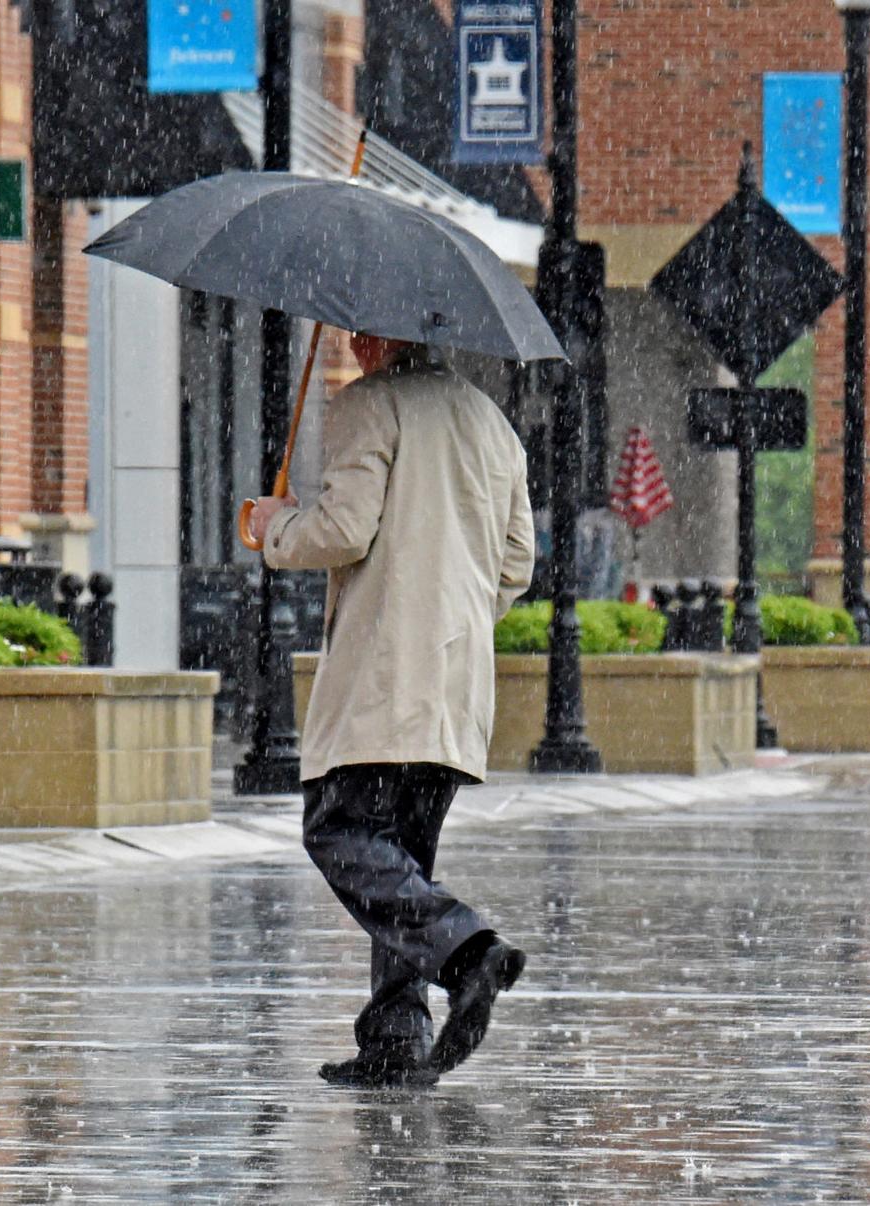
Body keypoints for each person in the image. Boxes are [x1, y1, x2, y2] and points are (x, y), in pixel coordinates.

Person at [248, 331, 535, 1088]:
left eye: (359, 332)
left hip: (384, 671)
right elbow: (517, 564)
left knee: (340, 830)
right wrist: (458, 611)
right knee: (403, 859)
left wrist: (272, 527)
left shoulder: (369, 407)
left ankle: (467, 951)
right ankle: (397, 1035)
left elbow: (343, 530)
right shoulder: (490, 422)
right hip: (455, 680)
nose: (347, 343)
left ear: (388, 336)